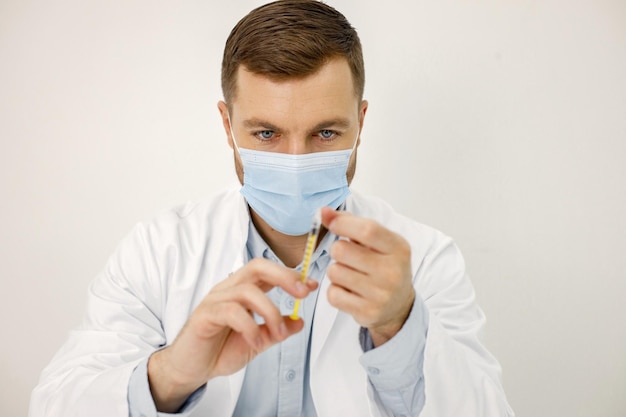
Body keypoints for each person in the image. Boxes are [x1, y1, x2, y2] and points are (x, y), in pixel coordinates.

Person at [29, 1, 514, 416]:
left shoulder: (424, 258)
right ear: (227, 124)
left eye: (326, 133)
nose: (296, 162)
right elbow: (54, 403)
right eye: (266, 134)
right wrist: (172, 371)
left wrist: (398, 326)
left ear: (360, 123)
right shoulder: (159, 251)